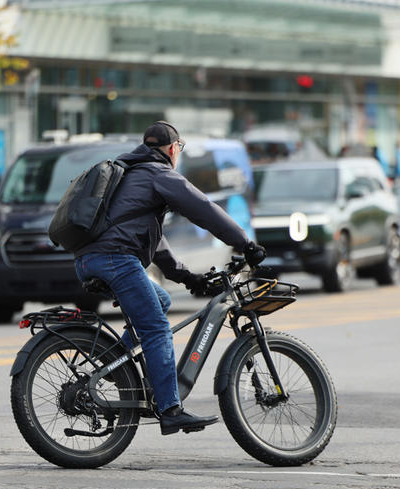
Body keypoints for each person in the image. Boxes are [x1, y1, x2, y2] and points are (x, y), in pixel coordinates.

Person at [73, 121, 267, 436]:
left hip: (88, 259)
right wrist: (244, 242)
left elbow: (153, 241)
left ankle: (113, 361)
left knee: (160, 300)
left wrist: (187, 278)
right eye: (179, 148)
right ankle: (170, 410)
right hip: (115, 259)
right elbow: (203, 208)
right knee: (156, 328)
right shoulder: (158, 173)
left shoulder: (130, 173)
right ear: (172, 148)